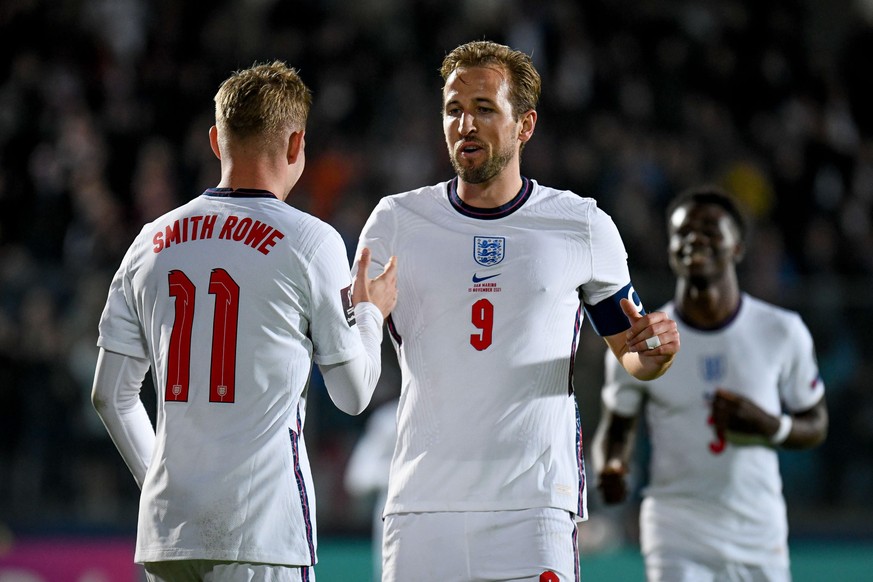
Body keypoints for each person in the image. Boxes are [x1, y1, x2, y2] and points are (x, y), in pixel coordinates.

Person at [353, 40, 679, 582]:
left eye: (484, 109)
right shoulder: (396, 221)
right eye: (454, 110)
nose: (465, 125)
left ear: (525, 125)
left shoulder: (581, 225)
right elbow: (355, 347)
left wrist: (656, 354)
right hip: (422, 507)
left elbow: (633, 354)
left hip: (533, 510)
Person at [90, 60, 397, 582]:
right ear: (297, 144)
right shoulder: (309, 240)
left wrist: (161, 488)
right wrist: (370, 311)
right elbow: (352, 393)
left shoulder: (150, 242)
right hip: (262, 537)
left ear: (216, 141)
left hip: (168, 539)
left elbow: (109, 395)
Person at [593, 186, 828, 582]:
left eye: (709, 231)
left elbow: (816, 423)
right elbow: (616, 429)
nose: (694, 240)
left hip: (758, 528)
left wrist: (772, 426)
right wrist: (612, 467)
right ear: (669, 249)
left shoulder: (781, 332)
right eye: (682, 233)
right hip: (676, 526)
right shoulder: (643, 342)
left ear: (737, 248)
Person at [343, 397, 398, 582]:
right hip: (394, 517)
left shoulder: (457, 414)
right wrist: (405, 471)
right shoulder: (390, 418)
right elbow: (358, 477)